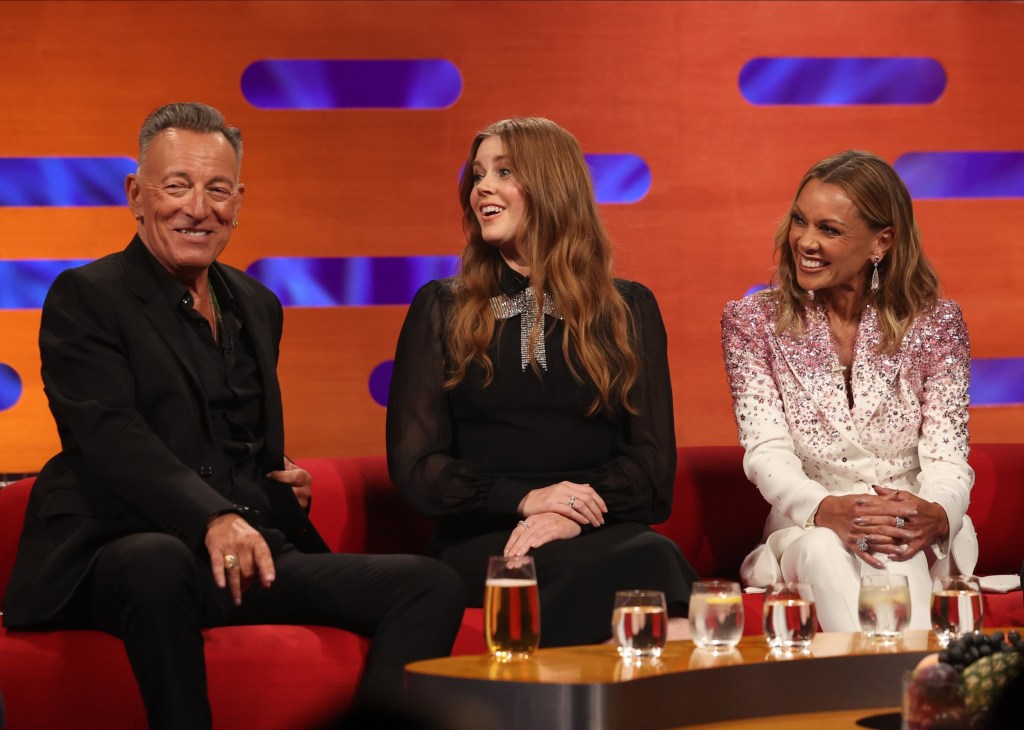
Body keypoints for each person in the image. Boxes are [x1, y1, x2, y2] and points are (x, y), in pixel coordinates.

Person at [1, 102, 465, 729]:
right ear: (136, 195)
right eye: (177, 186)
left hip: (237, 554)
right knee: (157, 560)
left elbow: (227, 430)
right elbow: (110, 436)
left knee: (427, 584)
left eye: (218, 189)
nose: (199, 207)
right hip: (113, 549)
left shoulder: (256, 302)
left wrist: (273, 478)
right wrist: (212, 513)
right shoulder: (87, 296)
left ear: (239, 200)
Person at [386, 117, 697, 647]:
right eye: (478, 174)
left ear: (554, 187)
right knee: (624, 565)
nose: (482, 186)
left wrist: (572, 515)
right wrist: (527, 499)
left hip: (596, 528)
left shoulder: (629, 308)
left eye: (504, 172)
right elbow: (419, 470)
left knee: (653, 552)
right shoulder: (442, 307)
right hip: (488, 535)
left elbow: (651, 474)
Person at [721, 150, 977, 632]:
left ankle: (889, 694)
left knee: (894, 545)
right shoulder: (753, 322)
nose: (806, 241)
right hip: (806, 523)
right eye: (800, 221)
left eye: (830, 230)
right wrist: (823, 508)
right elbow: (765, 451)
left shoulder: (937, 324)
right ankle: (916, 691)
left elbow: (947, 455)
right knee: (823, 546)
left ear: (881, 242)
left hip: (912, 522)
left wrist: (935, 514)